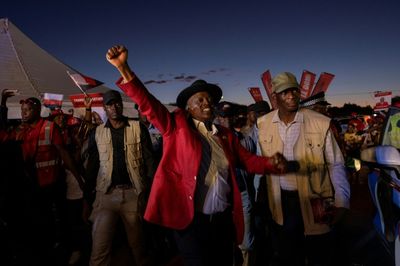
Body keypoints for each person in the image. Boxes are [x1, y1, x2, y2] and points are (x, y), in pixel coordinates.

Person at [106, 45, 289, 266]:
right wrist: (124, 68)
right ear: (188, 108)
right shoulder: (175, 127)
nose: (207, 103)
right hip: (191, 222)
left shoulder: (225, 135)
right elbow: (148, 104)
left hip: (222, 220)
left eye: (209, 99)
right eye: (200, 100)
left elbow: (247, 160)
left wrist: (271, 163)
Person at [257, 72, 350, 266]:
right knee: (289, 255)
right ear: (275, 97)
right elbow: (262, 166)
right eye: (284, 92)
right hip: (281, 205)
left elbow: (336, 164)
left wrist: (342, 201)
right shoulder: (263, 124)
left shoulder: (320, 123)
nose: (291, 96)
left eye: (294, 91)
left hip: (315, 201)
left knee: (320, 254)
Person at [0, 91, 85, 265]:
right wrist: (3, 102)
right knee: (37, 224)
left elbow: (63, 153)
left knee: (60, 220)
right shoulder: (19, 131)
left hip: (53, 186)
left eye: (28, 109)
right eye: (22, 109)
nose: (23, 113)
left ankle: (68, 249)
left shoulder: (49, 127)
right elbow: (2, 135)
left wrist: (78, 178)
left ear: (37, 110)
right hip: (31, 188)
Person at [84, 89, 157, 266]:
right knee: (99, 248)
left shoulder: (137, 128)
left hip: (133, 194)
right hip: (106, 196)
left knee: (137, 245)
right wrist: (87, 200)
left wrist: (149, 192)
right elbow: (92, 168)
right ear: (104, 108)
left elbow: (150, 162)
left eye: (117, 103)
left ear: (121, 104)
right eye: (109, 104)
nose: (114, 107)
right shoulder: (97, 133)